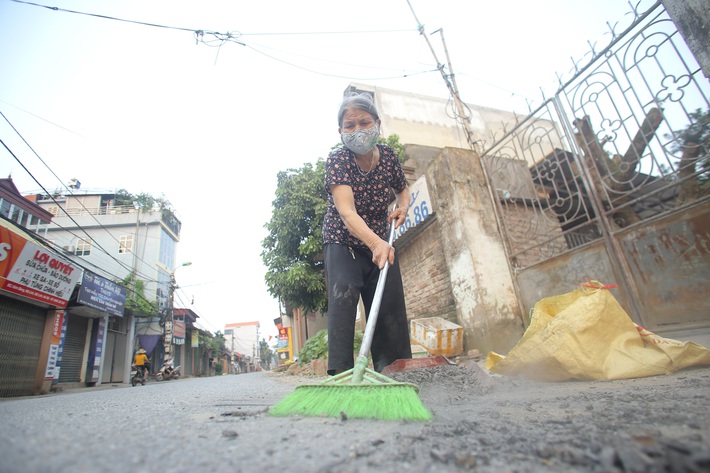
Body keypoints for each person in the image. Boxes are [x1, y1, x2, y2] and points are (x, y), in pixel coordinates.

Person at [323, 92, 413, 376]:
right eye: (350, 125)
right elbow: (347, 213)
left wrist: (403, 206)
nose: (358, 130)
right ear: (340, 132)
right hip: (343, 239)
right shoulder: (338, 160)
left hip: (379, 238)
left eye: (364, 122)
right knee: (344, 294)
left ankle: (395, 371)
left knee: (388, 302)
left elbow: (403, 189)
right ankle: (341, 374)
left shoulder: (387, 156)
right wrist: (375, 243)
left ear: (377, 123)